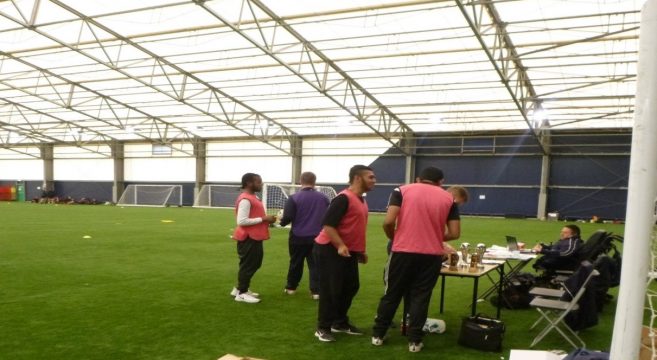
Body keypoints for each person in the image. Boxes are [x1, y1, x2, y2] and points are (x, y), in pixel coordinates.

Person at [371, 166, 461, 352]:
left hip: (403, 252)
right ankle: (415, 341)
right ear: (441, 182)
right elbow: (455, 233)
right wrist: (432, 235)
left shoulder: (401, 190)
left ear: (419, 179)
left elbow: (388, 222)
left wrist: (394, 237)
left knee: (392, 293)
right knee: (420, 297)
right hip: (431, 256)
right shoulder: (449, 198)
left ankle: (378, 335)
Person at [313, 165, 376, 342]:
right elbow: (328, 225)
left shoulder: (361, 200)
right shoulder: (343, 199)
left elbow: (354, 228)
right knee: (331, 289)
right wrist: (340, 245)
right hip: (329, 249)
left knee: (351, 286)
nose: (374, 180)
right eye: (370, 177)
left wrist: (359, 251)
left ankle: (339, 322)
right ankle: (323, 327)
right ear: (357, 178)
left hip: (347, 252)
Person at [280, 172, 330, 299]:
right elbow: (328, 217)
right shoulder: (324, 198)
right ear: (314, 181)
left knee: (296, 262)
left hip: (298, 236)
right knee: (315, 264)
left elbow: (288, 217)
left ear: (300, 181)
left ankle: (291, 287)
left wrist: (281, 221)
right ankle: (316, 292)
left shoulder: (294, 198)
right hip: (318, 237)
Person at [230, 173, 277, 303]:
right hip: (248, 237)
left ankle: (239, 289)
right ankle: (242, 293)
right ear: (249, 183)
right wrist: (263, 218)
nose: (261, 184)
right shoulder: (245, 199)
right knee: (249, 265)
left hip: (254, 237)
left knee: (251, 264)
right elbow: (242, 221)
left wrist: (267, 220)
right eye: (258, 182)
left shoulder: (252, 197)